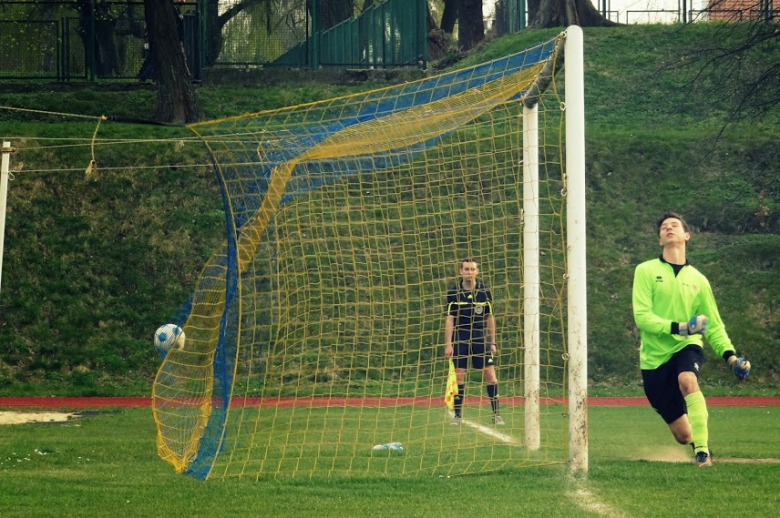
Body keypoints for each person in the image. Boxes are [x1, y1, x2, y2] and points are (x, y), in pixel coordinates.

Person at [632, 212, 751, 467]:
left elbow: (714, 325)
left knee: (687, 379)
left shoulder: (699, 280)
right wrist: (682, 326)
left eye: (674, 225)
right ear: (659, 239)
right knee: (684, 435)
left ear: (687, 235)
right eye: (664, 227)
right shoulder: (645, 271)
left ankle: (703, 453)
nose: (669, 228)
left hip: (687, 345)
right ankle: (693, 440)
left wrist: (731, 357)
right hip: (653, 360)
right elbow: (643, 318)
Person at [444, 258, 503, 425]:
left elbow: (489, 317)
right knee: (459, 375)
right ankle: (457, 416)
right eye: (466, 269)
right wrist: (448, 344)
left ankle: (496, 414)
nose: (470, 272)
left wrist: (493, 342)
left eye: (472, 269)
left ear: (477, 272)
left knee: (490, 374)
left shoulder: (484, 290)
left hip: (479, 336)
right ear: (461, 271)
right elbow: (450, 319)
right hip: (460, 337)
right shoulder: (454, 291)